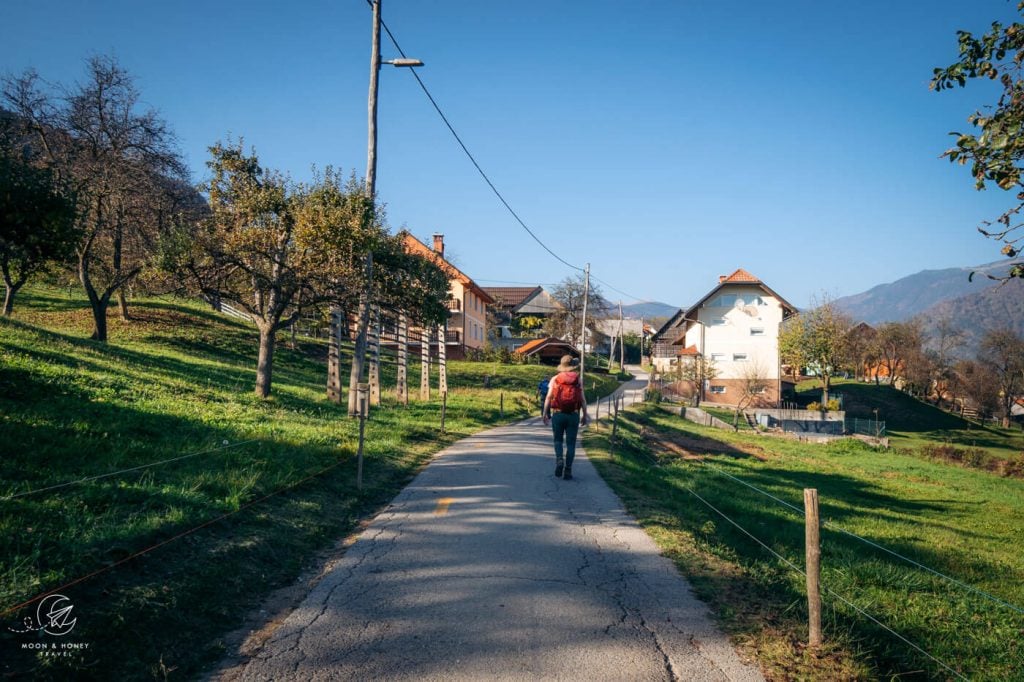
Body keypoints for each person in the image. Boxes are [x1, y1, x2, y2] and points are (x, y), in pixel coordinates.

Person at [542, 355, 589, 480]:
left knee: (558, 440)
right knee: (571, 443)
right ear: (572, 366)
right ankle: (568, 470)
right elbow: (583, 399)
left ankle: (559, 460)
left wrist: (545, 413)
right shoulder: (578, 380)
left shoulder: (555, 379)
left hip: (558, 414)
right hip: (573, 415)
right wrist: (584, 414)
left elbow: (548, 397)